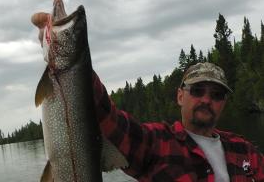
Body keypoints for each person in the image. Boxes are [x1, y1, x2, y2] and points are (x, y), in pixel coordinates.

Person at [92, 62, 264, 182]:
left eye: (216, 95)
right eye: (197, 91)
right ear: (180, 96)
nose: (206, 100)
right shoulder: (156, 142)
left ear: (223, 103)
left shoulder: (244, 149)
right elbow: (108, 116)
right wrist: (73, 60)